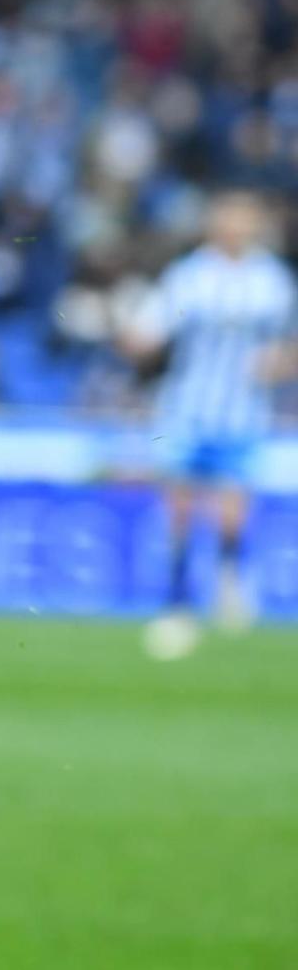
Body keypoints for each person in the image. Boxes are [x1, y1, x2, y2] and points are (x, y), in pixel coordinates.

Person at [121, 189, 296, 661]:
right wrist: (131, 332)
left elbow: (291, 347)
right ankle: (177, 601)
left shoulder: (272, 282)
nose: (235, 227)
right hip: (187, 407)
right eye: (228, 218)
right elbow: (148, 334)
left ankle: (229, 576)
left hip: (243, 412)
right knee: (179, 504)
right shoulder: (189, 277)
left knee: (233, 503)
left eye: (244, 219)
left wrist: (280, 365)